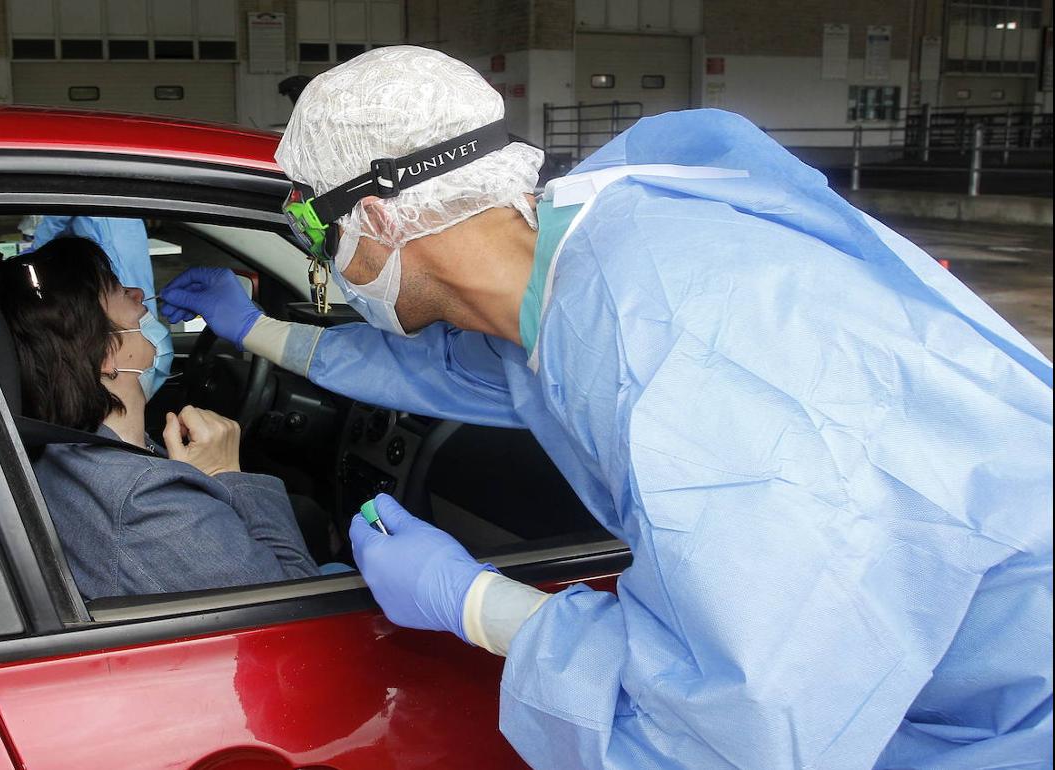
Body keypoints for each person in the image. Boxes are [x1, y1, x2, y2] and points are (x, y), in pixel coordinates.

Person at [159, 46, 1053, 769]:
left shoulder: (684, 353)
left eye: (315, 228)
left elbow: (740, 729)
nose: (319, 258)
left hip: (998, 713)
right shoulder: (578, 271)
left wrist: (475, 605)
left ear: (384, 216)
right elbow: (440, 372)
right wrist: (256, 331)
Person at [0, 237, 319, 599]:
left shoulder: (62, 452)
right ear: (106, 353)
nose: (140, 293)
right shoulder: (144, 502)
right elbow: (298, 599)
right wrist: (225, 473)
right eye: (118, 290)